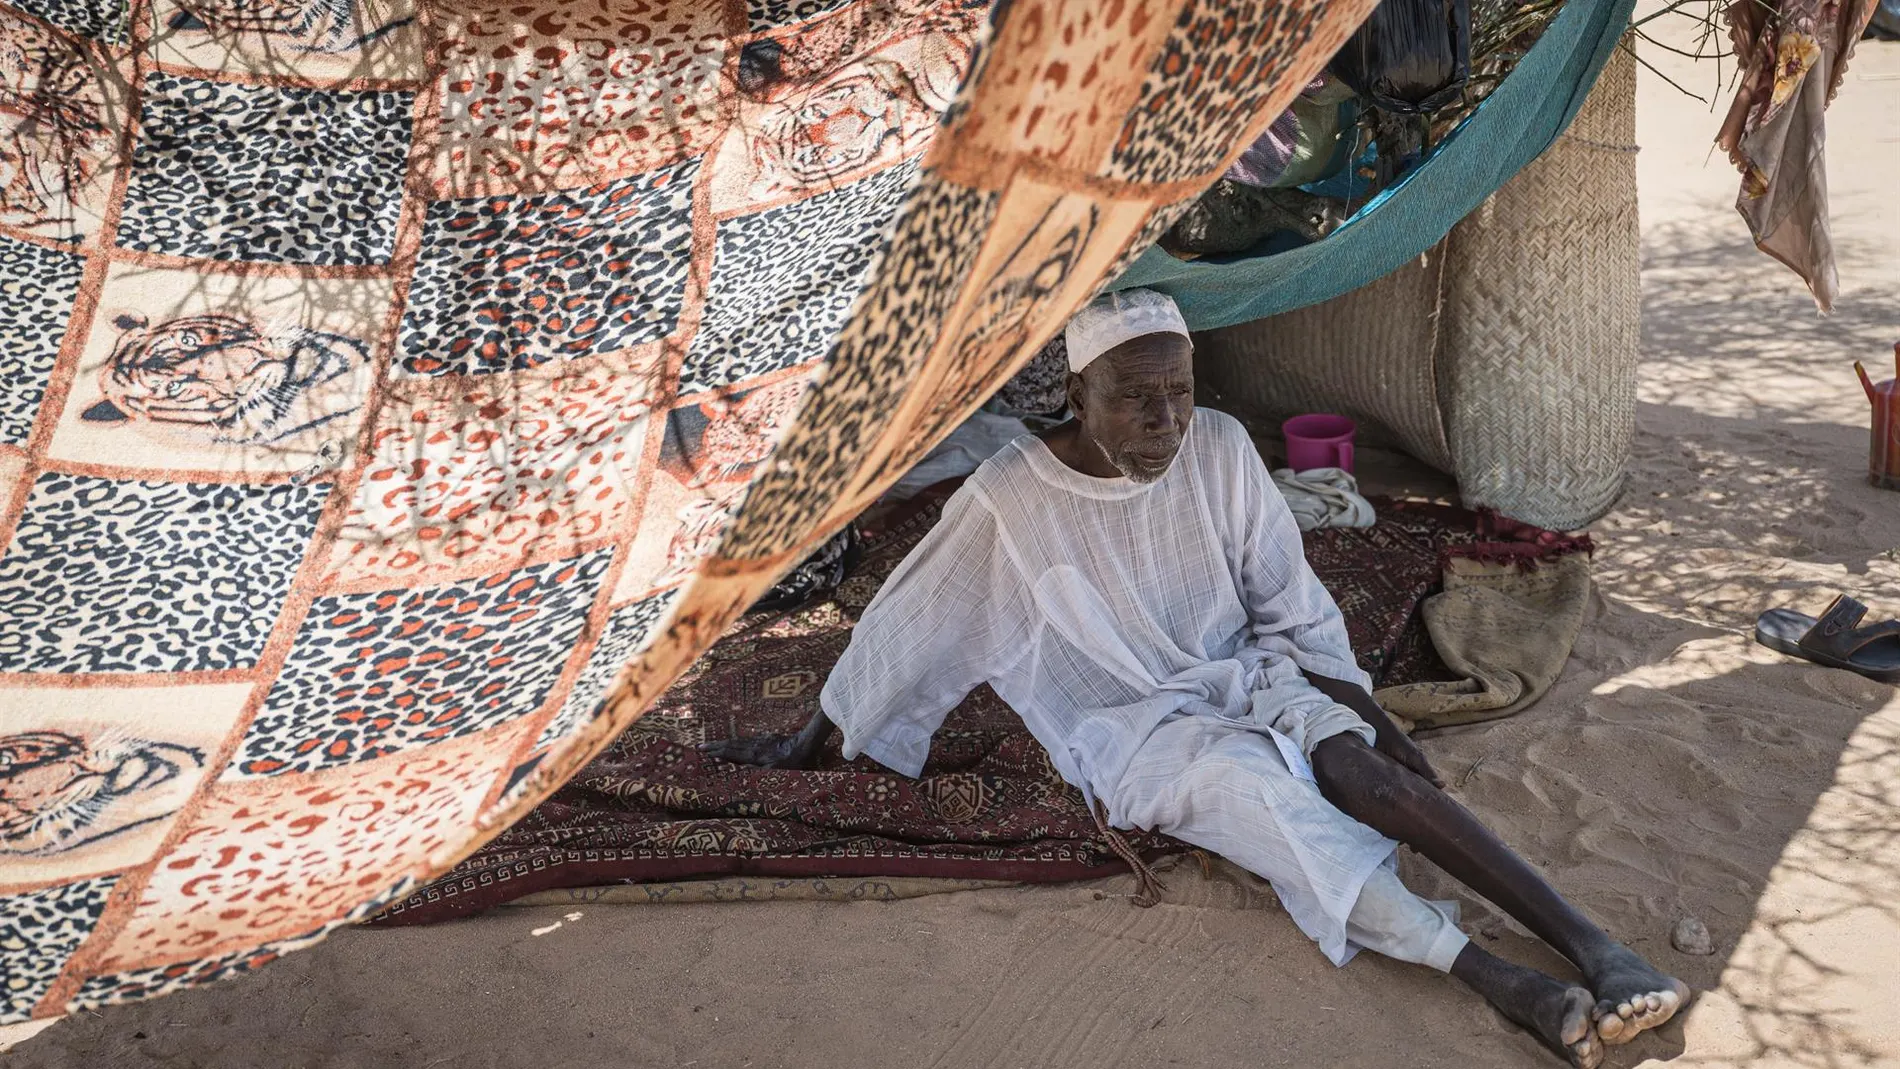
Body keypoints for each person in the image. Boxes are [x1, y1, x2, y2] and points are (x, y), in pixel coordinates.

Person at [705, 289, 1687, 1067]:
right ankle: (1489, 977)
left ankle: (1590, 941)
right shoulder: (1011, 494)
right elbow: (913, 617)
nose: (1166, 417)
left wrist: (1347, 700)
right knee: (1264, 800)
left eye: (1178, 389)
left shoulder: (1218, 448)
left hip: (1242, 672)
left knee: (1367, 766)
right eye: (1136, 397)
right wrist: (821, 731)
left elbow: (1287, 599)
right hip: (1132, 729)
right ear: (1076, 397)